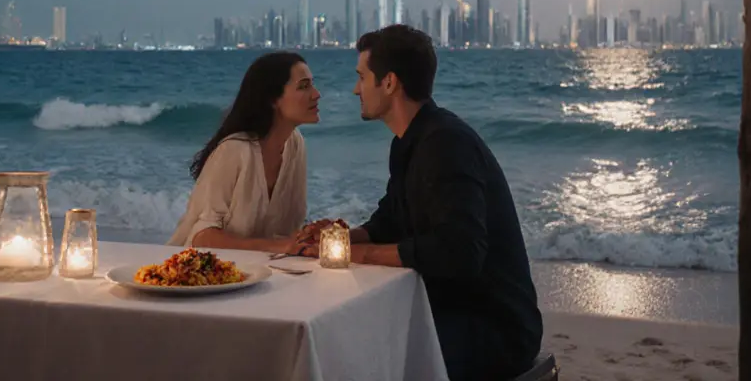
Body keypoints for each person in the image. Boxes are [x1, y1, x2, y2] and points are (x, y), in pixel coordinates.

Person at [303, 25, 542, 381]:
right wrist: (339, 239)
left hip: (494, 329)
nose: (356, 88)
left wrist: (356, 256)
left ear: (389, 82)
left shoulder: (446, 143)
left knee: (359, 354)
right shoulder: (410, 141)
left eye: (362, 77)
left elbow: (460, 252)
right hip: (450, 309)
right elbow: (390, 220)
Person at [167, 51, 319, 253]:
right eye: (304, 86)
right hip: (196, 272)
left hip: (262, 272)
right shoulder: (235, 150)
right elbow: (202, 237)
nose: (316, 94)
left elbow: (285, 231)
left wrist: (310, 234)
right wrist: (281, 246)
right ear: (273, 99)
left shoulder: (295, 144)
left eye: (312, 84)